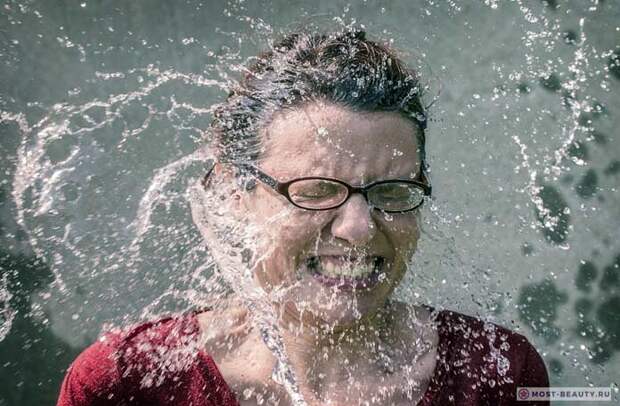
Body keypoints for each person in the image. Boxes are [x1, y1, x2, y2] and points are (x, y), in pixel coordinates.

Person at [57, 30, 549, 405]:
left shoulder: (499, 374)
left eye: (392, 192)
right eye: (315, 191)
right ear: (233, 193)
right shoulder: (127, 382)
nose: (358, 228)